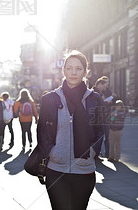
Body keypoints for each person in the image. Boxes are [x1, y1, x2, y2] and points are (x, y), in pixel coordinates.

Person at [36, 50, 104, 210]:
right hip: (56, 169)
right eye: (70, 68)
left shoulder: (95, 99)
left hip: (84, 169)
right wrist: (52, 152)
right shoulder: (49, 99)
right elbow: (42, 131)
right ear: (64, 70)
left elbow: (101, 130)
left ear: (85, 72)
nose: (74, 72)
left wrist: (93, 152)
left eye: (79, 68)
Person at [92, 79, 110, 158]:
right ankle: (95, 155)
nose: (105, 88)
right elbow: (98, 105)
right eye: (104, 86)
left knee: (100, 137)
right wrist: (105, 102)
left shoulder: (100, 93)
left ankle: (97, 154)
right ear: (99, 84)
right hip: (98, 119)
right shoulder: (95, 93)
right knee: (98, 137)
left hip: (101, 117)